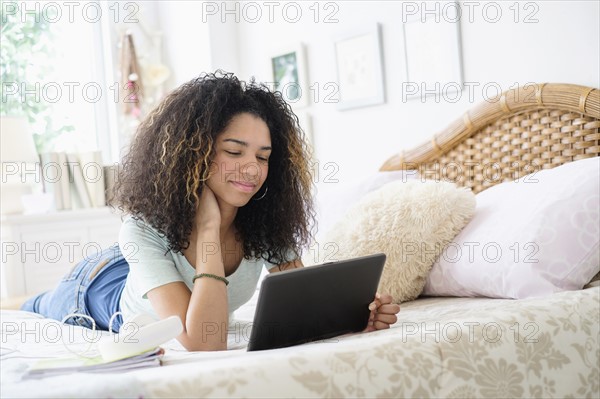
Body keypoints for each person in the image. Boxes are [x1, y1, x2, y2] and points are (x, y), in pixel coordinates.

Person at [21, 72, 400, 351]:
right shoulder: (141, 230)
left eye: (263, 157)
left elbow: (306, 308)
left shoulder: (266, 223)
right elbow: (203, 343)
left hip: (145, 267)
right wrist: (207, 230)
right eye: (234, 152)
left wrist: (353, 317)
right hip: (98, 287)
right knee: (33, 306)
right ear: (194, 153)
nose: (251, 169)